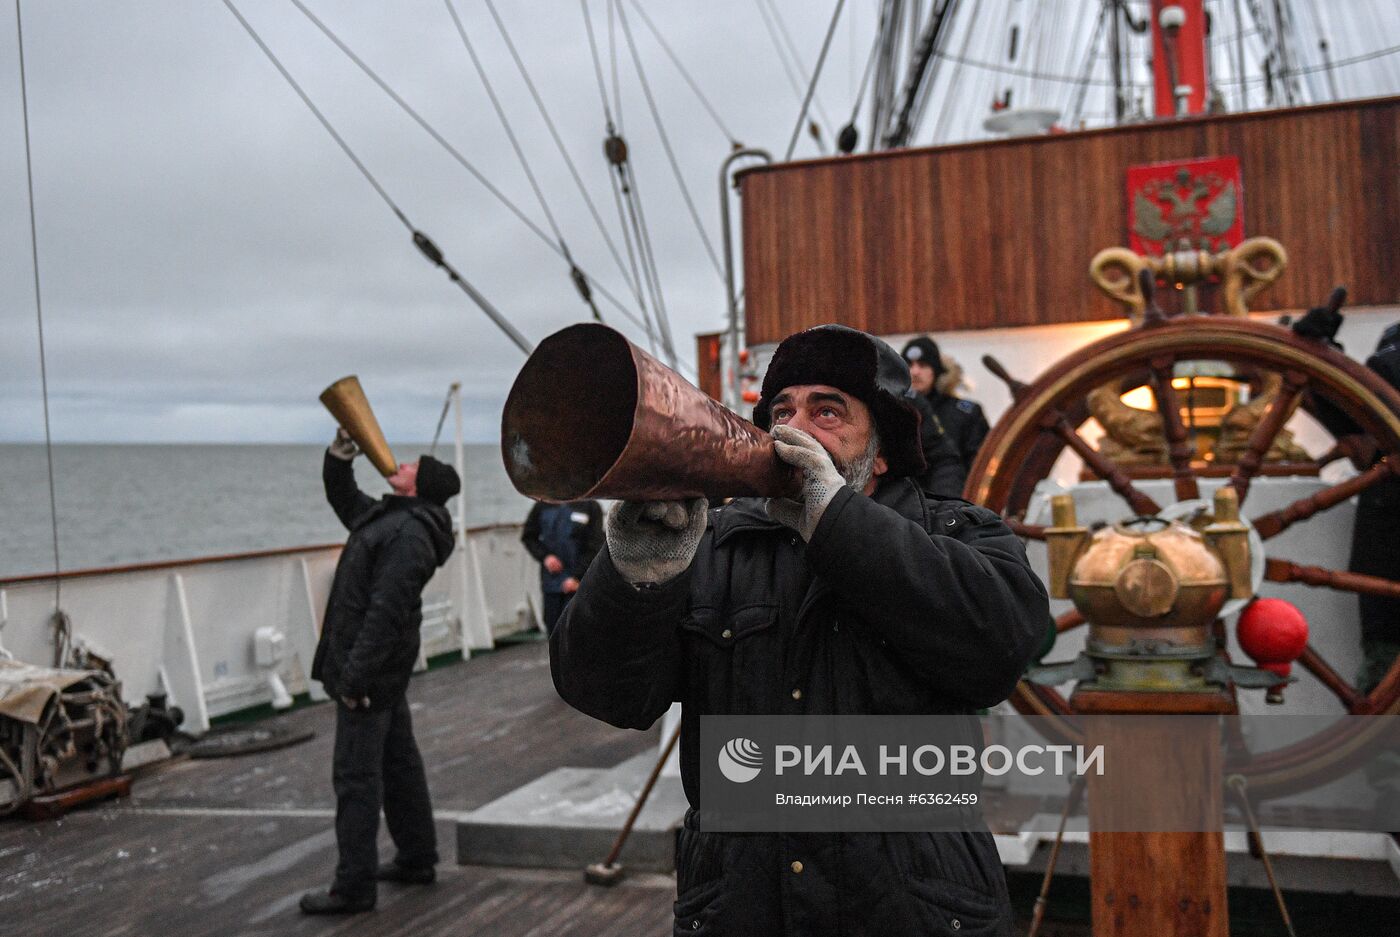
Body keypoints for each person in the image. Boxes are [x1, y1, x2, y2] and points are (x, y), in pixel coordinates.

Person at [551, 324, 1048, 935]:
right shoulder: (715, 550)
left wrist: (834, 516)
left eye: (828, 411)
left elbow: (998, 651)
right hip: (745, 908)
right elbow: (608, 692)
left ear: (884, 449)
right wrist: (635, 571)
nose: (794, 428)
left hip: (913, 908)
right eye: (781, 410)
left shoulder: (958, 533)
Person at [300, 428, 461, 915]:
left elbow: (385, 612)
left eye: (411, 466)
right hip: (382, 673)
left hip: (369, 676)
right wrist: (338, 458)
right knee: (399, 766)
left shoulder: (409, 534)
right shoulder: (392, 519)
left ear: (418, 486)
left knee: (355, 778)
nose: (400, 464)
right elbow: (344, 497)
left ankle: (353, 887)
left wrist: (354, 681)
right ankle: (416, 858)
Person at [902, 336, 991, 474]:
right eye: (909, 365)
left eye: (923, 365)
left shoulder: (965, 415)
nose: (915, 372)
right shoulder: (893, 413)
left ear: (936, 371)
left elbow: (980, 466)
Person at [521, 499, 604, 635]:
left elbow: (595, 545)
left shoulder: (590, 506)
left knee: (580, 632)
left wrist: (578, 577)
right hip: (552, 584)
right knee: (554, 631)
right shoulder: (542, 505)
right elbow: (529, 537)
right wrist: (545, 556)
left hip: (581, 584)